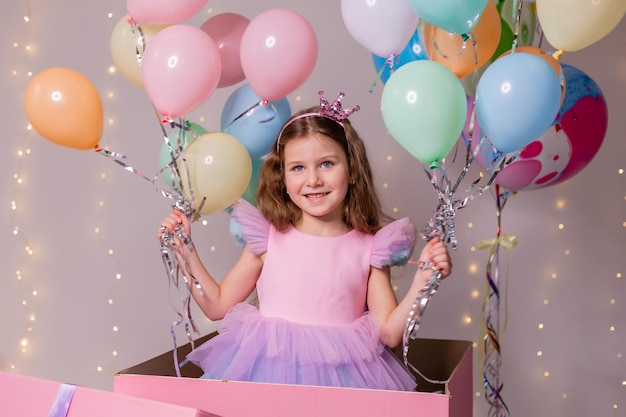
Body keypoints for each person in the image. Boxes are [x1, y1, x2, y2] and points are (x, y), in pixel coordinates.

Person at [157, 91, 452, 391]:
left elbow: (389, 333)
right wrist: (184, 249)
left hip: (342, 384)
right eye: (298, 168)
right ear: (283, 177)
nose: (312, 180)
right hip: (266, 378)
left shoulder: (370, 248)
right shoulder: (268, 237)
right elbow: (217, 306)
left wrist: (422, 281)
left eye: (326, 164)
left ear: (351, 170)